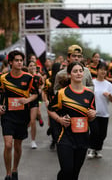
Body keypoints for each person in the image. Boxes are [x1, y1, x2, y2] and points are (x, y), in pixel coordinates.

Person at [47, 61, 96, 180]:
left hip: (83, 138)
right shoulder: (62, 93)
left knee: (75, 173)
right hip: (65, 137)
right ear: (69, 75)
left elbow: (92, 115)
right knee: (67, 170)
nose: (78, 73)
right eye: (75, 71)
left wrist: (93, 115)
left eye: (80, 71)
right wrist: (59, 119)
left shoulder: (89, 94)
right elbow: (50, 110)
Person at [0, 50, 38, 180]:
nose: (19, 62)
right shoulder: (3, 78)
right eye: (16, 60)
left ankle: (15, 169)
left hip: (22, 115)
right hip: (8, 116)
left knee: (17, 145)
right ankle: (8, 174)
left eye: (21, 60)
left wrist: (27, 100)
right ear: (10, 62)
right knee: (8, 144)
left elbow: (35, 94)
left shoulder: (29, 78)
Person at [87, 61, 112, 159]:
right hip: (93, 112)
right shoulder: (92, 83)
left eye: (105, 70)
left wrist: (110, 96)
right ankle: (91, 148)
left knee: (103, 134)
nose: (103, 72)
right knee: (95, 131)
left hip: (104, 113)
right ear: (97, 70)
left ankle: (98, 149)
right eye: (101, 70)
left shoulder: (108, 85)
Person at [27, 60, 44, 149]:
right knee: (27, 121)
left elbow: (42, 86)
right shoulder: (24, 76)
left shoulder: (38, 77)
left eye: (34, 65)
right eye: (30, 65)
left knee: (33, 120)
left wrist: (40, 89)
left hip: (35, 100)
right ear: (27, 67)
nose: (32, 67)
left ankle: (33, 141)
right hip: (25, 100)